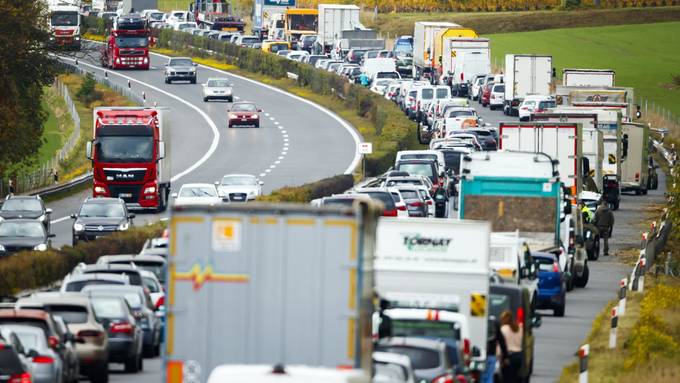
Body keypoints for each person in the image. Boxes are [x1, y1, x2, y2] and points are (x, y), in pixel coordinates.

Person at [500, 310, 523, 383]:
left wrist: (500, 358)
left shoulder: (503, 329)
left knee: (507, 379)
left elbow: (500, 345)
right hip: (519, 356)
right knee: (515, 377)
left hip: (509, 357)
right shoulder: (519, 328)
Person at [483, 317, 507, 383]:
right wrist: (506, 356)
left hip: (478, 354)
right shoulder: (494, 323)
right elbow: (502, 341)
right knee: (489, 377)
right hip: (491, 354)